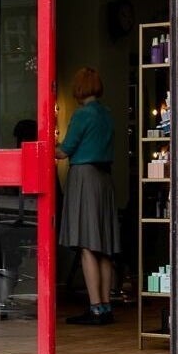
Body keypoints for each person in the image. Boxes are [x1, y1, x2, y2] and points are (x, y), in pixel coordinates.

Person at [55, 66, 119, 325]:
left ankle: (94, 307)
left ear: (79, 88)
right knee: (102, 245)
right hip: (104, 179)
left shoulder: (82, 115)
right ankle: (105, 305)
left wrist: (50, 143)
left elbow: (65, 150)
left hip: (84, 177)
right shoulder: (107, 114)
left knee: (86, 243)